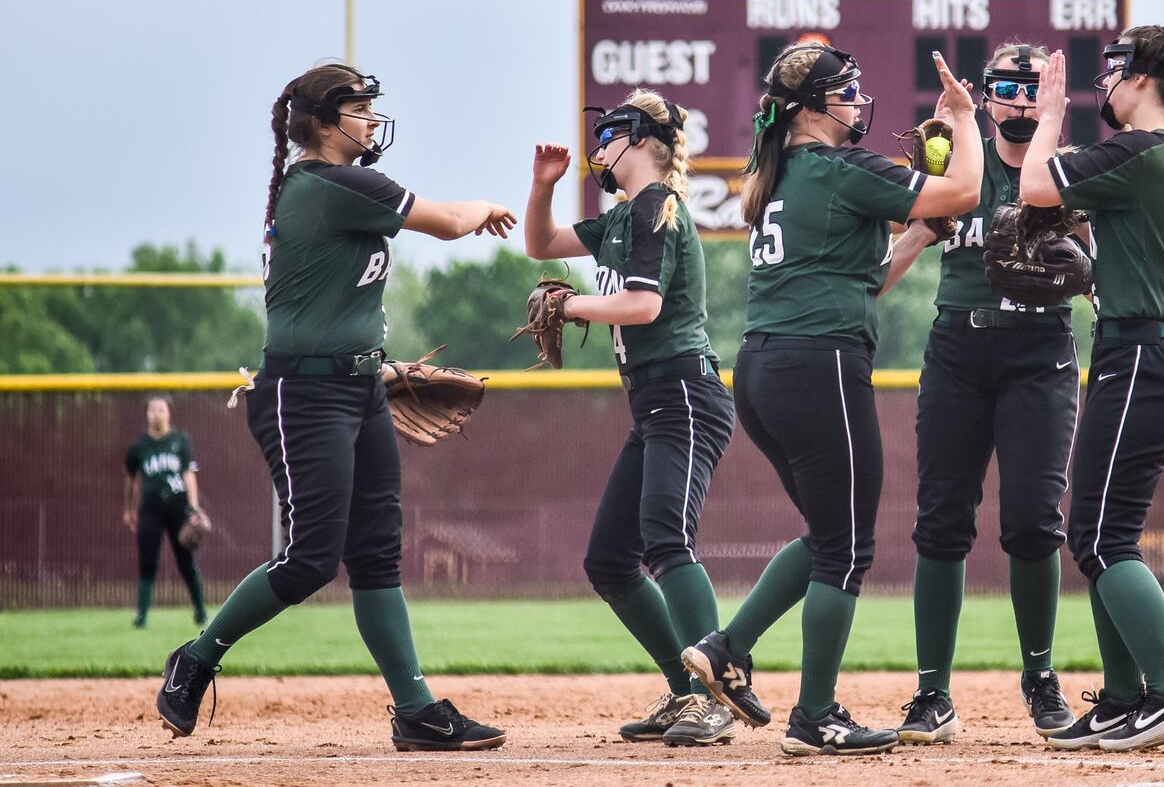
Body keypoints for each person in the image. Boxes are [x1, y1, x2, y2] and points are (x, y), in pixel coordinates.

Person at [154, 63, 516, 751]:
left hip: (359, 388)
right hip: (305, 394)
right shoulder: (334, 183)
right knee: (310, 559)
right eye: (359, 108)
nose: (372, 120)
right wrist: (485, 206)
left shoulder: (329, 185)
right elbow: (444, 224)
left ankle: (415, 710)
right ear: (322, 122)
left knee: (377, 555)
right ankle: (196, 657)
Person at [681, 42, 982, 757]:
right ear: (812, 107)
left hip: (764, 368)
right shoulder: (841, 167)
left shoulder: (782, 173)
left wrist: (912, 238)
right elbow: (965, 191)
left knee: (826, 535)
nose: (856, 102)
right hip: (819, 369)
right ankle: (815, 716)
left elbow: (858, 280)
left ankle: (727, 647)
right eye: (845, 92)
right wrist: (965, 120)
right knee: (846, 548)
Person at [1018, 27, 1164, 751]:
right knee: (1103, 535)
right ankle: (1119, 699)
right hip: (1148, 356)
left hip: (1142, 360)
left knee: (1101, 538)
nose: (1103, 83)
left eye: (1113, 69)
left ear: (1142, 79)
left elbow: (1036, 185)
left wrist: (1048, 118)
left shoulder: (1144, 148)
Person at [523, 90, 739, 747]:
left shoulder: (657, 212)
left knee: (666, 542)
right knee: (610, 561)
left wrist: (573, 306)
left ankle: (714, 696)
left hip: (684, 396)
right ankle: (684, 690)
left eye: (611, 133)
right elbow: (541, 244)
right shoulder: (621, 218)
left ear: (642, 140)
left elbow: (642, 306)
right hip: (653, 405)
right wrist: (541, 189)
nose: (599, 146)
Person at [888, 43, 1079, 745]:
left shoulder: (1063, 169)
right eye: (1008, 88)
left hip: (1040, 352)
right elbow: (907, 242)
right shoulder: (958, 165)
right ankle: (932, 694)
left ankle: (1040, 676)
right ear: (987, 95)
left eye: (1034, 90)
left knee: (1032, 521)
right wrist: (852, 300)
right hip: (959, 350)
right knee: (940, 520)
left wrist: (1082, 268)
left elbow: (1101, 263)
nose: (1022, 102)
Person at [124, 394, 207, 628]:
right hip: (150, 506)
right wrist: (129, 510)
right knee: (147, 559)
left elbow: (189, 474)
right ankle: (141, 616)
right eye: (152, 410)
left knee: (186, 559)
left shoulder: (180, 441)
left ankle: (200, 612)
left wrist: (193, 506)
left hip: (178, 505)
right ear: (147, 414)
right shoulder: (138, 447)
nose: (156, 414)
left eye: (161, 409)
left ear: (168, 413)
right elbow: (131, 480)